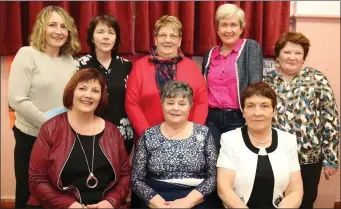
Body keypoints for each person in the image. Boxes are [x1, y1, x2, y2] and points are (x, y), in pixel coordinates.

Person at [7, 5, 80, 208]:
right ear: (41, 27)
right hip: (30, 138)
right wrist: (51, 126)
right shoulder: (27, 54)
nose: (58, 31)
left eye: (63, 26)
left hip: (62, 140)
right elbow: (16, 99)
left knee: (57, 193)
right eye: (52, 25)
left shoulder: (70, 61)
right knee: (29, 194)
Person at [28, 69, 131, 208]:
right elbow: (37, 179)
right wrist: (69, 205)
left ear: (101, 97)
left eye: (95, 91)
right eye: (82, 88)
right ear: (72, 92)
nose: (88, 95)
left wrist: (110, 202)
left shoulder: (113, 132)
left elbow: (125, 175)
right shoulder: (50, 129)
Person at [264, 32, 340, 209]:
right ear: (277, 55)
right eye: (287, 52)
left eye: (298, 53)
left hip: (309, 158)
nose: (292, 57)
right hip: (274, 156)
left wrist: (331, 157)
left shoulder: (318, 79)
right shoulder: (266, 81)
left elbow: (330, 118)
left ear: (304, 57)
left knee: (305, 201)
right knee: (274, 200)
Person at [131, 81, 217, 209]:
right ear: (162, 104)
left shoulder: (203, 134)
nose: (175, 108)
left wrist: (188, 201)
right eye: (170, 103)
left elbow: (214, 177)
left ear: (190, 106)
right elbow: (136, 179)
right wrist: (158, 202)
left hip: (195, 200)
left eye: (182, 104)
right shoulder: (148, 135)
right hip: (157, 200)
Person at [217, 82, 303, 208]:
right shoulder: (230, 139)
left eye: (264, 106)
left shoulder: (288, 141)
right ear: (243, 111)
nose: (257, 113)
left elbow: (294, 191)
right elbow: (224, 190)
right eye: (250, 106)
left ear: (274, 111)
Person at [125, 15, 208, 142]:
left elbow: (201, 103)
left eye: (173, 36)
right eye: (163, 35)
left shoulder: (192, 68)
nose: (167, 40)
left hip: (185, 140)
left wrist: (193, 134)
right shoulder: (139, 67)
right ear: (155, 39)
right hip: (149, 140)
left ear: (179, 40)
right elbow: (132, 104)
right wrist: (148, 135)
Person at [202, 3, 263, 151]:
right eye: (224, 25)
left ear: (241, 28)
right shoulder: (210, 54)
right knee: (212, 162)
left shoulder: (250, 48)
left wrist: (252, 119)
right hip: (212, 119)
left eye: (233, 25)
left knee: (236, 164)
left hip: (239, 118)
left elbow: (255, 88)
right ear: (217, 29)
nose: (228, 30)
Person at [78, 15, 134, 155]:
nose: (106, 37)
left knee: (119, 174)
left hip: (122, 134)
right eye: (100, 32)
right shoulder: (80, 65)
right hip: (89, 131)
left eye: (111, 32)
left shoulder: (127, 66)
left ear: (116, 38)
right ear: (92, 38)